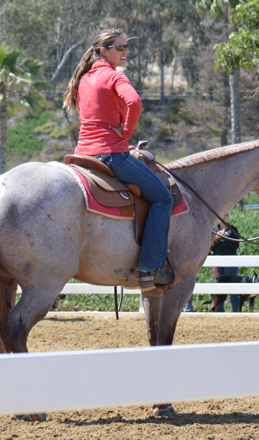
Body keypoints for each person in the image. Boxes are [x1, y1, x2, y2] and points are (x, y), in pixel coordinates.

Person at [63, 28, 173, 290]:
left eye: (126, 47)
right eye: (119, 47)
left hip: (81, 155)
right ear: (103, 51)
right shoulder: (113, 76)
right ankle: (149, 269)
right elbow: (135, 102)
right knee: (163, 198)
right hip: (111, 155)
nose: (125, 52)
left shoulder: (83, 78)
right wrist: (125, 132)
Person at [210, 213, 240, 312]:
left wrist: (225, 237)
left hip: (231, 261)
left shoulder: (233, 229)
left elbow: (235, 246)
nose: (223, 217)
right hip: (217, 261)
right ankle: (218, 311)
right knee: (218, 286)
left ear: (228, 217)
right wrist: (217, 238)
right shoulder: (213, 230)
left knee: (233, 286)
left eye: (226, 215)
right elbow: (210, 248)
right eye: (222, 214)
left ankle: (236, 311)